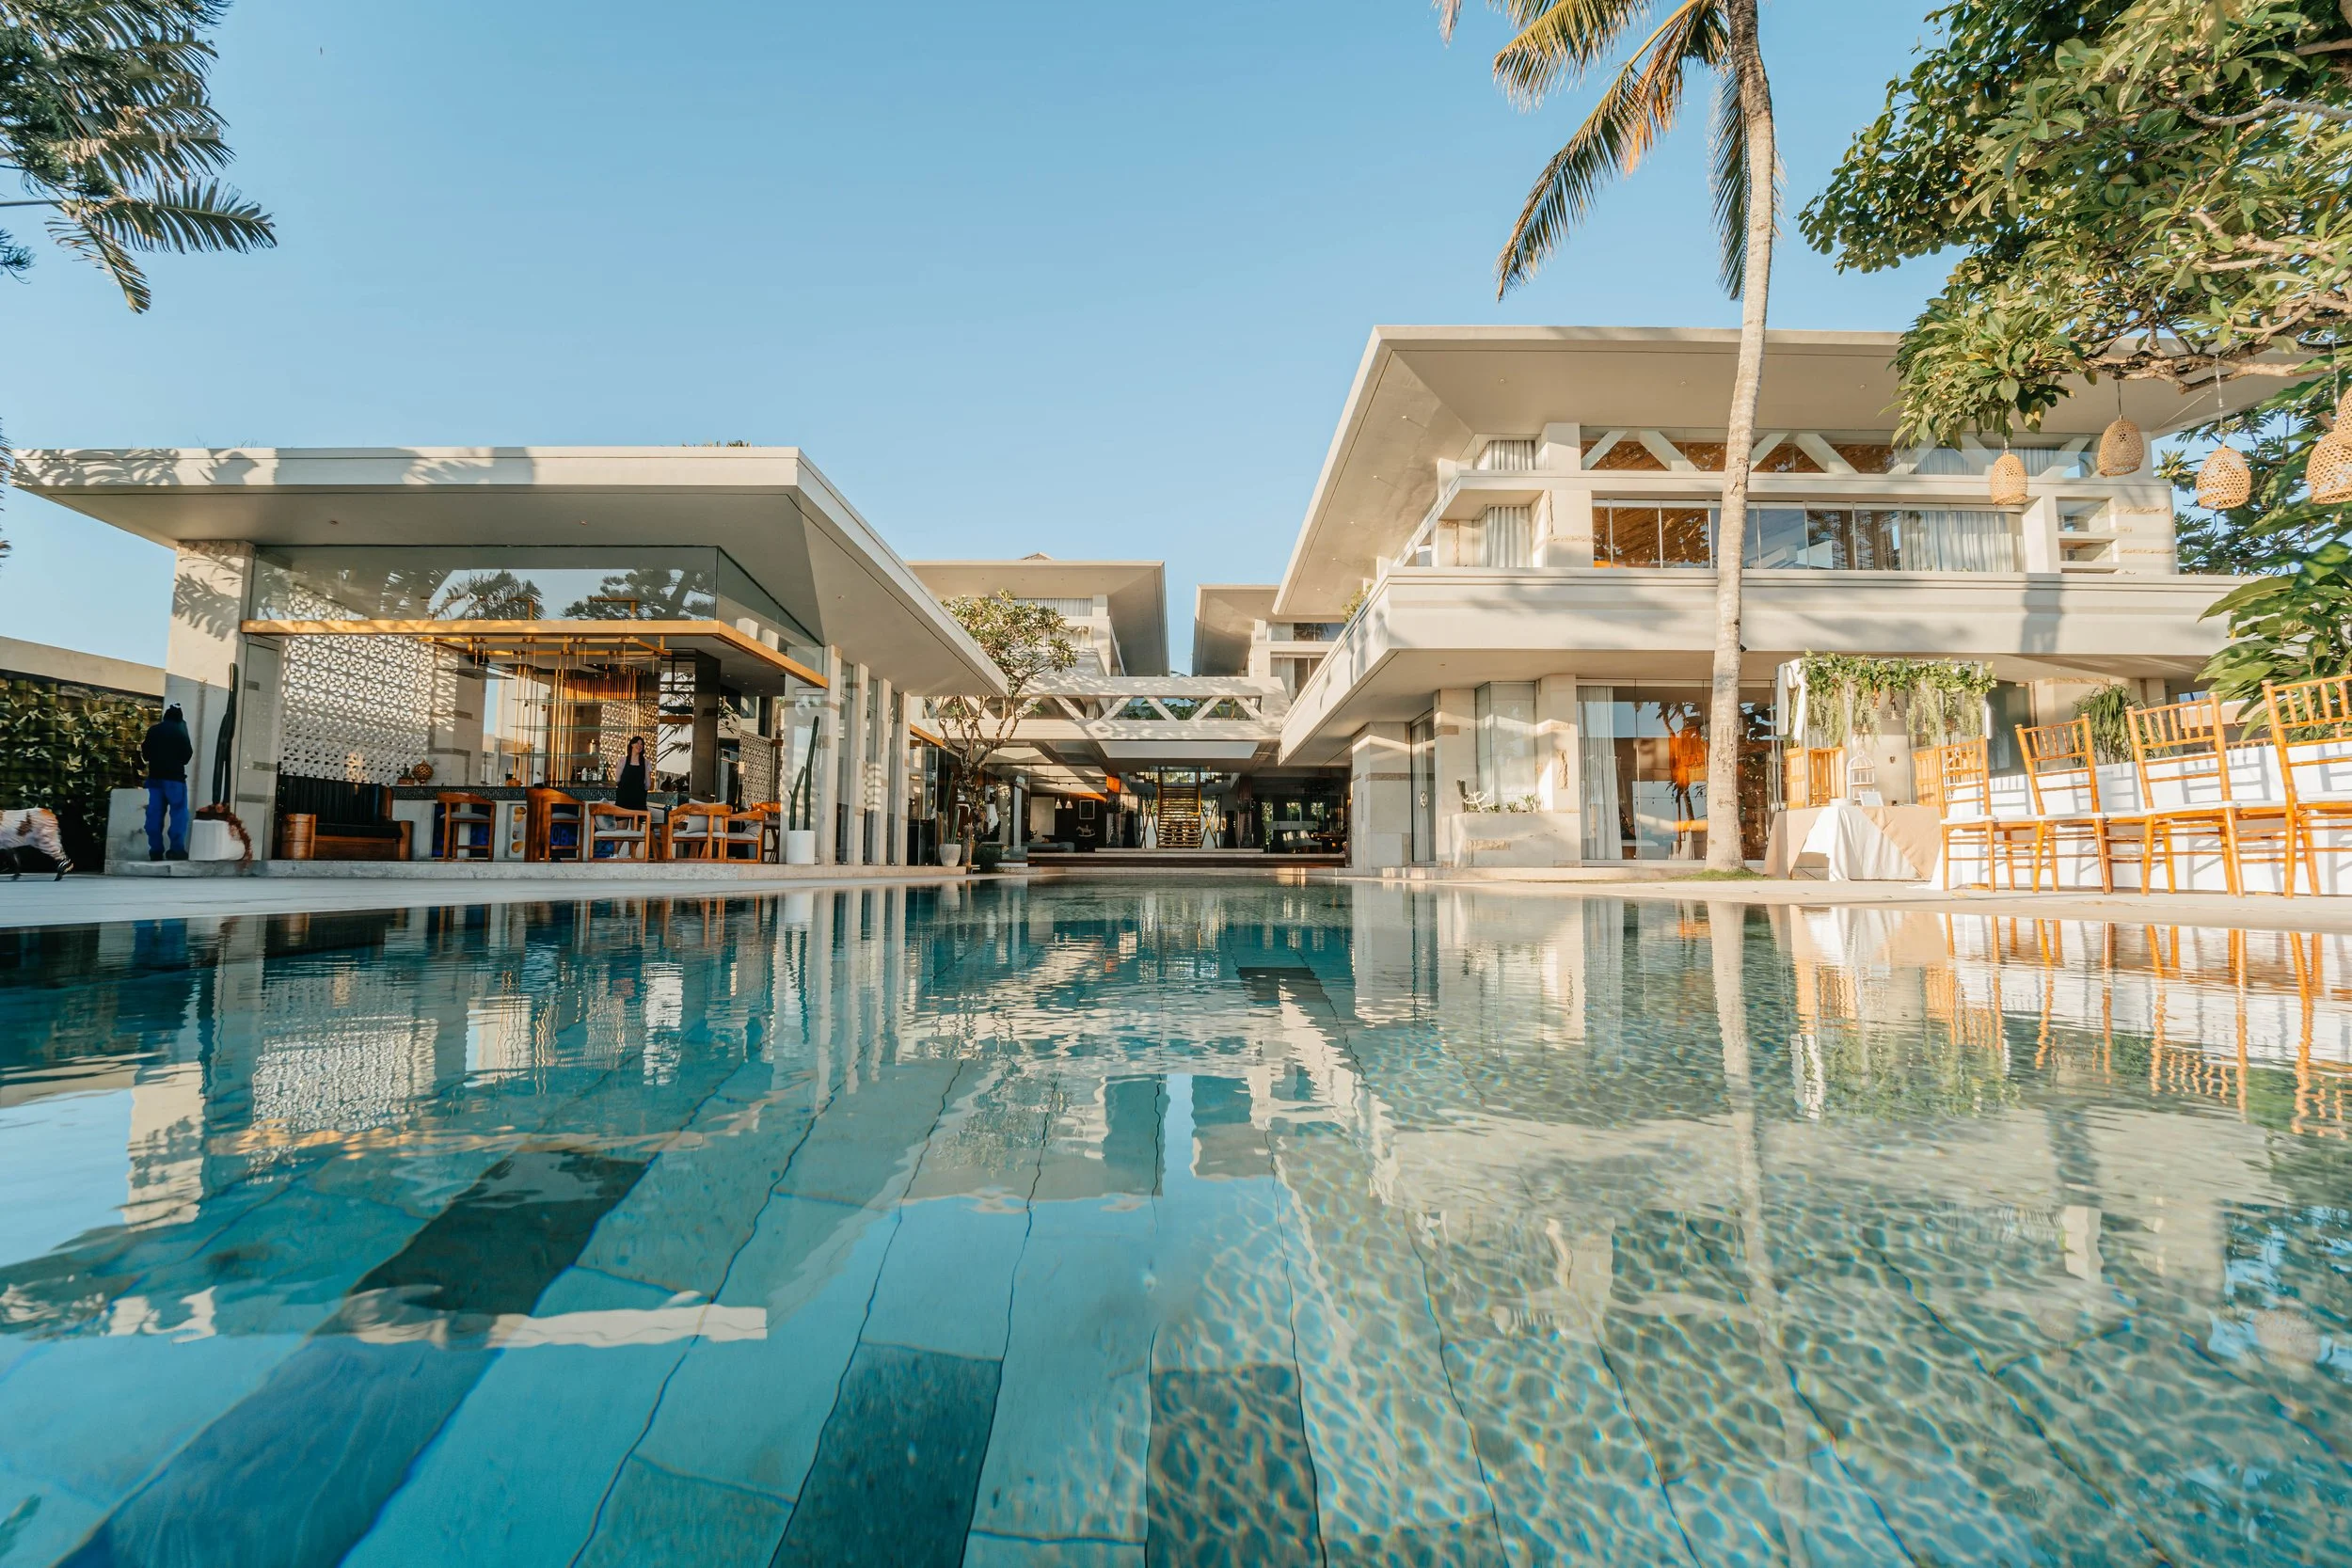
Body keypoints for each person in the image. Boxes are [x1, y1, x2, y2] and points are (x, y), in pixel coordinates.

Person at [141, 704, 195, 862]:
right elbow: (187, 756)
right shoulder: (180, 731)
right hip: (175, 780)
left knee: (154, 815)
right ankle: (176, 850)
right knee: (178, 814)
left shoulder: (154, 730)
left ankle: (155, 850)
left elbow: (146, 754)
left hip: (155, 779)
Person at [614, 736, 649, 813]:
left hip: (638, 799)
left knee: (633, 824)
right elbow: (617, 780)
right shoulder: (623, 760)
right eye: (637, 743)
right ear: (632, 745)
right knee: (622, 824)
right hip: (624, 798)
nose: (639, 746)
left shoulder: (646, 762)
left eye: (641, 744)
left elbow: (648, 784)